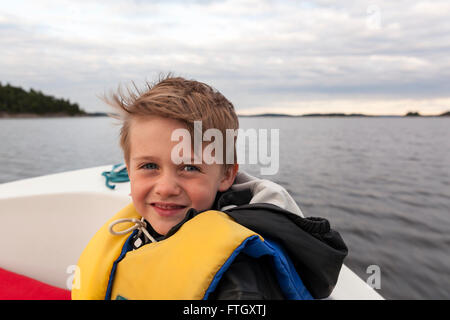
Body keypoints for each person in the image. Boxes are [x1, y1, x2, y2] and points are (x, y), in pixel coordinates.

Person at [71, 75, 347, 300]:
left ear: (226, 175)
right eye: (149, 166)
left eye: (190, 168)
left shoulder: (240, 277)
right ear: (128, 168)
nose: (165, 188)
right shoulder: (142, 226)